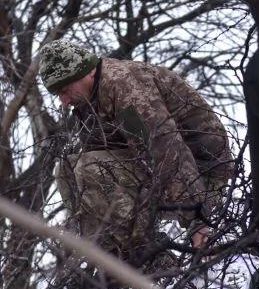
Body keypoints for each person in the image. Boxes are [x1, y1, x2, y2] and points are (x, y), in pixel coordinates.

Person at [38, 39, 232, 263]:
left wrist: (198, 218)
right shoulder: (88, 101)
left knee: (90, 168)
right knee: (66, 170)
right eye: (57, 95)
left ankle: (149, 258)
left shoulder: (124, 86)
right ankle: (108, 259)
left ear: (87, 73)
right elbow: (96, 163)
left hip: (203, 173)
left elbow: (166, 149)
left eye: (65, 90)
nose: (63, 101)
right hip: (156, 169)